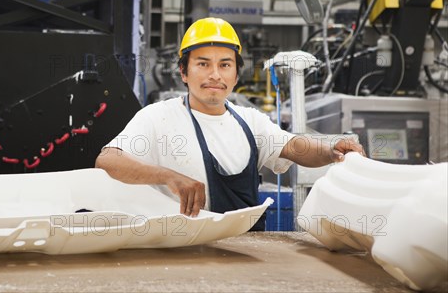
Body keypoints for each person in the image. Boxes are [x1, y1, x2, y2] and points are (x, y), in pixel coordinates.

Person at [95, 17, 365, 229]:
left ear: (236, 75)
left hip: (244, 254)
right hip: (179, 252)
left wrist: (332, 150)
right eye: (203, 64)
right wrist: (168, 176)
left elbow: (294, 146)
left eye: (225, 65)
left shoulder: (250, 121)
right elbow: (107, 161)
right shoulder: (157, 117)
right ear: (183, 72)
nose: (215, 75)